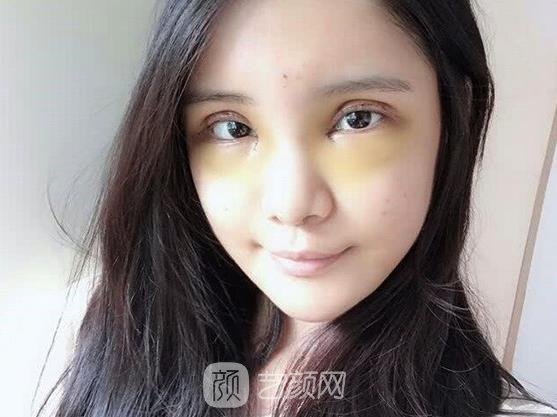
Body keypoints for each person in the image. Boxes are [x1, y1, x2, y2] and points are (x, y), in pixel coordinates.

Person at [35, 0, 557, 416]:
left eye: (358, 119)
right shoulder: (112, 346)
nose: (291, 206)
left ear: (452, 116)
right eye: (232, 128)